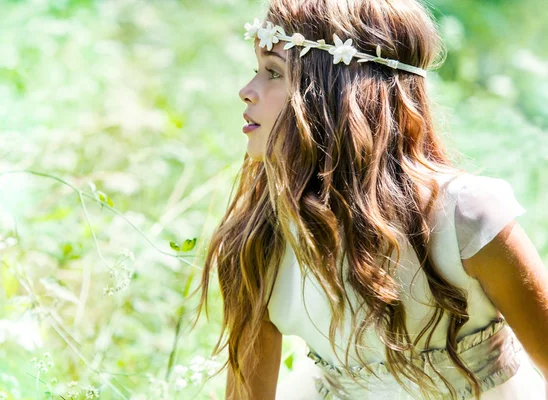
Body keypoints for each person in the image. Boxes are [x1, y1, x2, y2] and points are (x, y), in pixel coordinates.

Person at [194, 0, 548, 398]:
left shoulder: (463, 216)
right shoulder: (258, 237)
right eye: (256, 71)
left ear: (336, 93)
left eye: (273, 72)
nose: (246, 91)